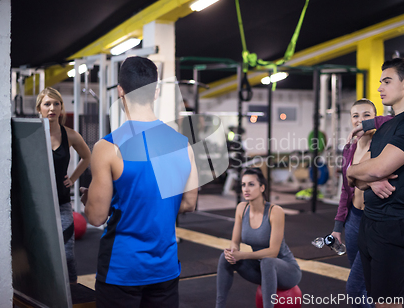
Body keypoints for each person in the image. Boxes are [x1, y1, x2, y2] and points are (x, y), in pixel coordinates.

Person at [80, 56, 198, 308]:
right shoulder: (183, 144)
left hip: (122, 268)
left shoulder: (107, 146)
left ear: (120, 90)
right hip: (165, 268)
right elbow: (189, 203)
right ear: (155, 92)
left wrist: (88, 199)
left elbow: (96, 217)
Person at [347, 58, 404, 308]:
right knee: (376, 299)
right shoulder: (388, 127)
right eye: (380, 82)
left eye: (387, 81)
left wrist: (354, 170)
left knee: (388, 303)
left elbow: (378, 168)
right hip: (371, 221)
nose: (379, 88)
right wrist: (362, 174)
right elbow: (361, 183)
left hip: (394, 223)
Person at [332, 99, 392, 308]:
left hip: (374, 221)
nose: (360, 120)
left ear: (375, 117)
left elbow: (396, 120)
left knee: (355, 288)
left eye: (367, 115)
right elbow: (344, 189)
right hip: (353, 220)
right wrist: (338, 225)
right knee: (363, 284)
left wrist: (370, 124)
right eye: (355, 116)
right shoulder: (349, 148)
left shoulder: (384, 143)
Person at [216, 168, 302, 308]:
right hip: (262, 270)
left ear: (262, 187)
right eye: (243, 185)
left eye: (251, 184)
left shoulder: (275, 211)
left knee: (268, 262)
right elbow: (235, 241)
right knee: (224, 257)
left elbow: (273, 252)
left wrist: (242, 255)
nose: (246, 189)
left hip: (287, 272)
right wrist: (232, 252)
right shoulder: (241, 208)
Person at [35, 87, 91, 284]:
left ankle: (72, 290)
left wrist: (73, 179)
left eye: (56, 104)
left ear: (61, 108)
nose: (52, 108)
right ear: (39, 108)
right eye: (47, 104)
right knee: (41, 253)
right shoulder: (33, 135)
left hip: (62, 201)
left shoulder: (70, 135)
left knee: (67, 254)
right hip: (39, 204)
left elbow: (87, 157)